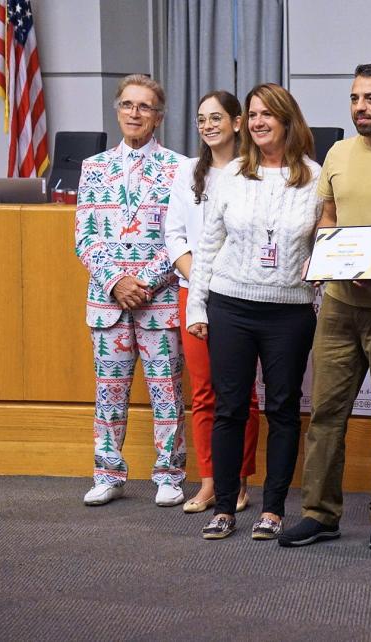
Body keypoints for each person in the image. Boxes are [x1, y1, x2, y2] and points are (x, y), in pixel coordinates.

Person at [278, 63, 371, 551]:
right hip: (339, 304)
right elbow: (328, 216)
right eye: (355, 98)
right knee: (325, 412)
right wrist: (326, 251)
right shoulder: (339, 152)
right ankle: (320, 512)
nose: (361, 107)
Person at [186, 83, 321, 540]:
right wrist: (196, 305)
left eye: (268, 114)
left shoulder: (315, 178)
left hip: (289, 311)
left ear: (287, 120)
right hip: (231, 306)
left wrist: (319, 282)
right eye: (253, 114)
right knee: (230, 409)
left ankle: (274, 509)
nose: (259, 122)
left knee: (283, 410)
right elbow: (207, 247)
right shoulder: (231, 176)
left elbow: (324, 245)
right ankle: (225, 505)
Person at [76, 74, 187, 507]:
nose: (134, 113)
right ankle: (107, 473)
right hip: (108, 305)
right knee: (109, 392)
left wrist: (144, 283)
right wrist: (117, 282)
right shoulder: (93, 166)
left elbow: (180, 237)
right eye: (127, 105)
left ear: (158, 117)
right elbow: (85, 236)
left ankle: (169, 475)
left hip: (158, 302)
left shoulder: (181, 167)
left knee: (167, 393)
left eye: (144, 107)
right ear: (117, 110)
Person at [164, 90, 259, 515]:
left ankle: (237, 481)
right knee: (203, 393)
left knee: (241, 395)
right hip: (194, 292)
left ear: (238, 123)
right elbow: (174, 235)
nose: (208, 125)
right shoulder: (187, 172)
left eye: (216, 117)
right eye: (201, 118)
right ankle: (208, 483)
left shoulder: (254, 170)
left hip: (240, 294)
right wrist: (197, 276)